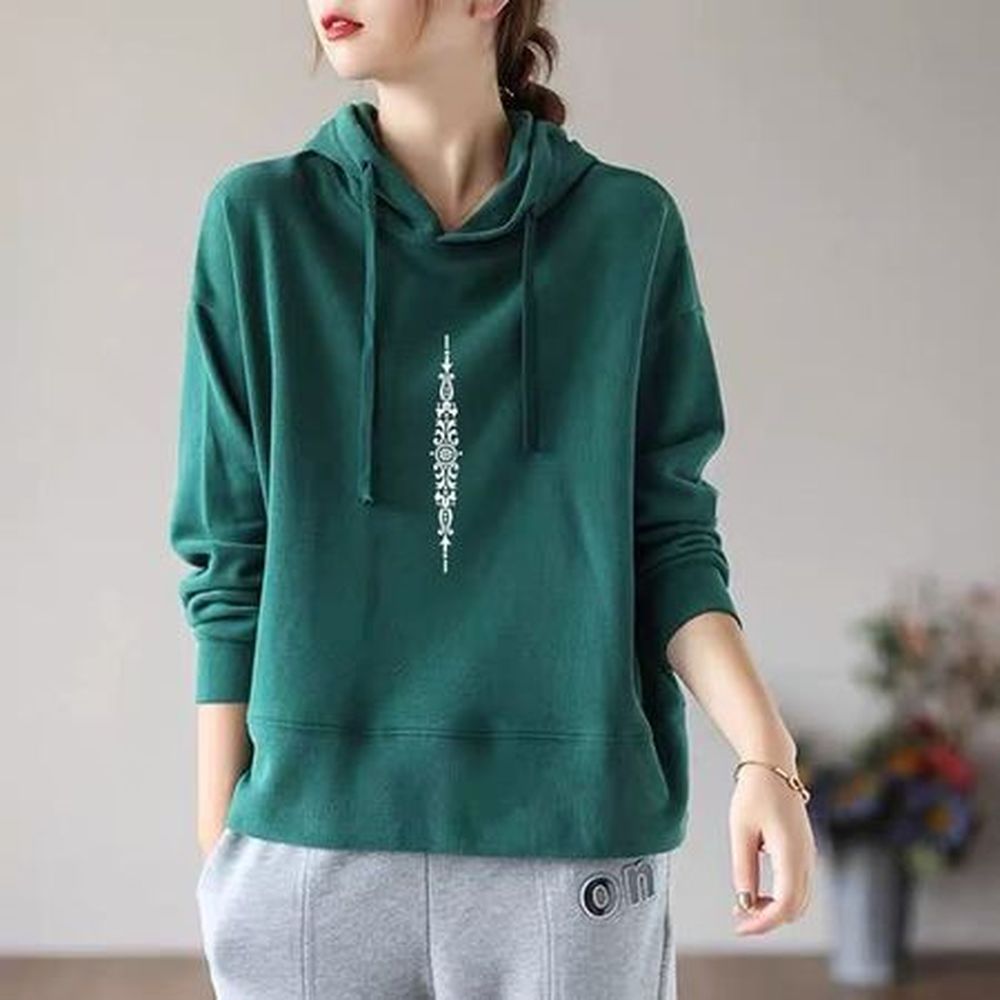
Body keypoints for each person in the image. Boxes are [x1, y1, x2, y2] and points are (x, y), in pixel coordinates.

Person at [167, 1, 817, 997]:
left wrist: (765, 755)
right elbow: (230, 551)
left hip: (571, 843)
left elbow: (669, 539)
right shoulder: (259, 224)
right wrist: (225, 849)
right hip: (305, 848)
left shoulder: (626, 230)